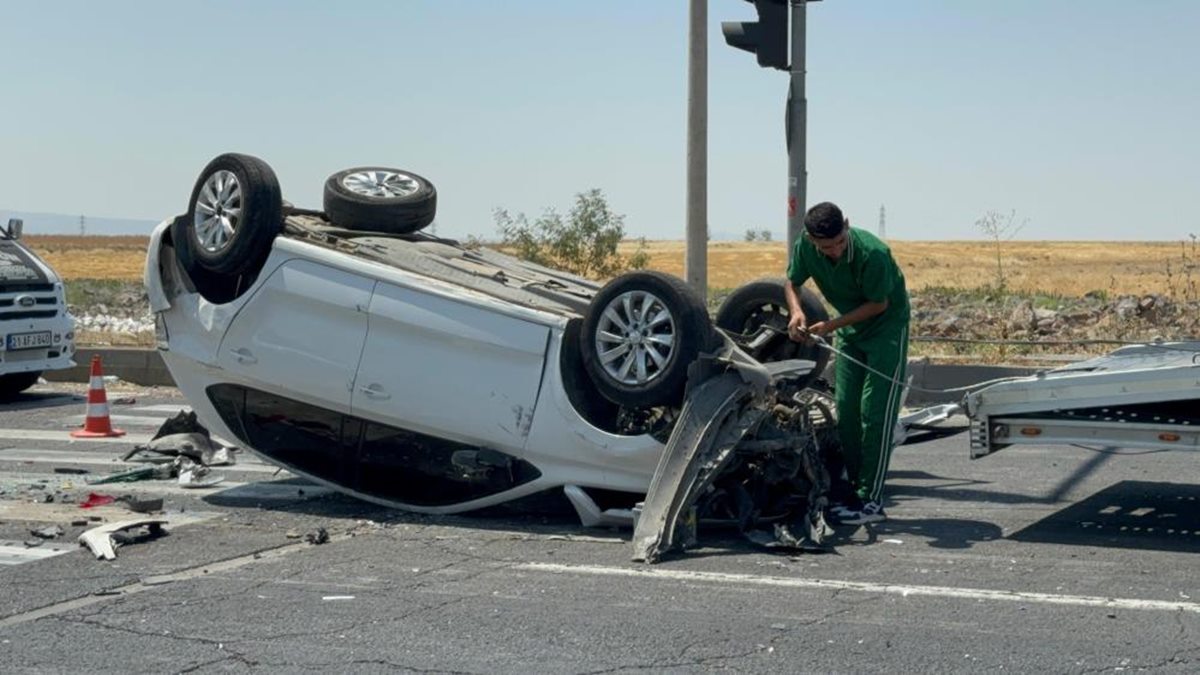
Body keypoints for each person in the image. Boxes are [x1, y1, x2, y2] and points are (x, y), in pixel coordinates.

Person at [784, 202, 910, 524]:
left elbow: (878, 304)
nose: (835, 251)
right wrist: (796, 312)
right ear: (811, 240)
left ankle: (870, 501)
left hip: (885, 330)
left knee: (874, 412)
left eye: (840, 242)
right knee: (846, 410)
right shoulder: (805, 247)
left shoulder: (873, 253)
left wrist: (830, 326)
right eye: (826, 247)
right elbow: (792, 282)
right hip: (850, 330)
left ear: (847, 226)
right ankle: (853, 491)